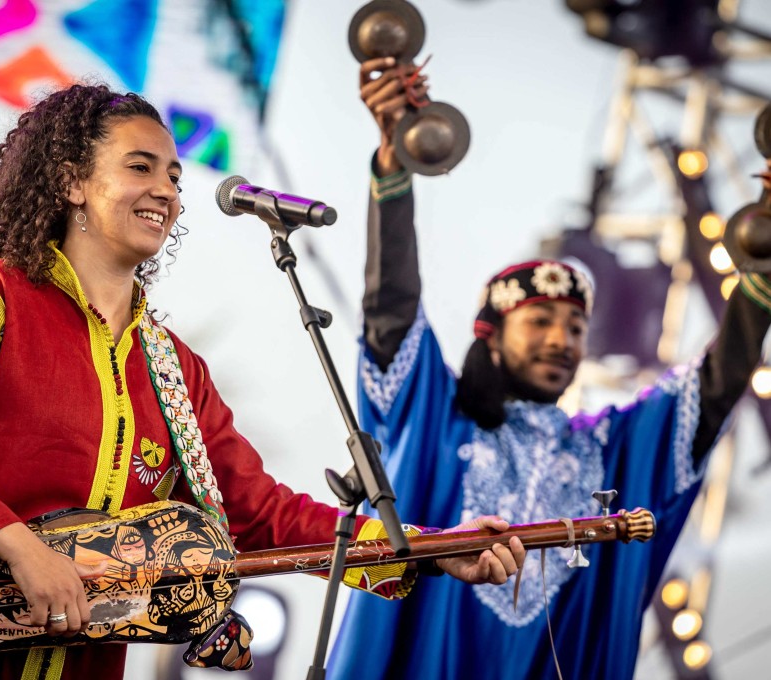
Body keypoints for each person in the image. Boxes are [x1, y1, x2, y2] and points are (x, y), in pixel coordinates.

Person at [0, 82, 526, 680]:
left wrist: (433, 550)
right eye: (141, 167)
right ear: (72, 180)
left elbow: (261, 515)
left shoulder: (174, 369)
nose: (166, 189)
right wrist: (22, 551)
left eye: (173, 176)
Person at [328, 57, 771, 680]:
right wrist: (394, 165)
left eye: (576, 328)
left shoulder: (611, 448)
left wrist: (765, 261)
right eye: (540, 322)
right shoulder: (433, 416)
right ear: (492, 334)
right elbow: (391, 308)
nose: (562, 339)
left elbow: (717, 387)